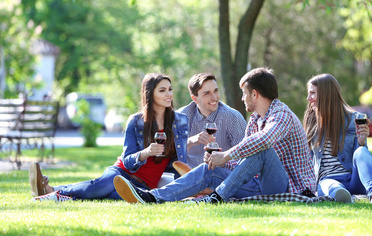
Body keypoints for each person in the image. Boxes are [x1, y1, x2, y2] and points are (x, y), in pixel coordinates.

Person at [113, 67, 316, 204]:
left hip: (290, 187)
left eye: (244, 94)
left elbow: (262, 142)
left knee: (263, 151)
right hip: (258, 185)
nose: (242, 98)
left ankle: (216, 198)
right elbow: (244, 164)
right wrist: (219, 161)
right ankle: (152, 198)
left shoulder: (282, 114)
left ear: (255, 94)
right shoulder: (255, 120)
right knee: (207, 170)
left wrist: (226, 155)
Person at [29, 73, 189, 202]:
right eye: (162, 90)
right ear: (150, 94)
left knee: (104, 196)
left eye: (170, 89)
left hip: (144, 186)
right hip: (121, 173)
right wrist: (146, 153)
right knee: (97, 189)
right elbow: (127, 160)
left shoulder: (180, 121)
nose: (169, 94)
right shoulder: (136, 121)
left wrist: (185, 188)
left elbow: (179, 160)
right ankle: (52, 193)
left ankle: (53, 191)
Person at [303, 73, 372, 206]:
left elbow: (362, 159)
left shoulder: (355, 119)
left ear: (326, 94)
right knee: (328, 185)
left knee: (362, 152)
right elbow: (308, 159)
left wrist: (361, 142)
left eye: (312, 93)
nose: (308, 98)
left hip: (353, 179)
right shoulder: (312, 121)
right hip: (327, 179)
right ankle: (341, 194)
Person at [178, 73, 247, 168]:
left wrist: (222, 161)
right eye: (207, 93)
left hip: (223, 176)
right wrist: (190, 141)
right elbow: (170, 154)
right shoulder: (182, 117)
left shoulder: (232, 117)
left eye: (216, 91)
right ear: (195, 98)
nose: (214, 97)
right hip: (190, 176)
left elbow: (246, 156)